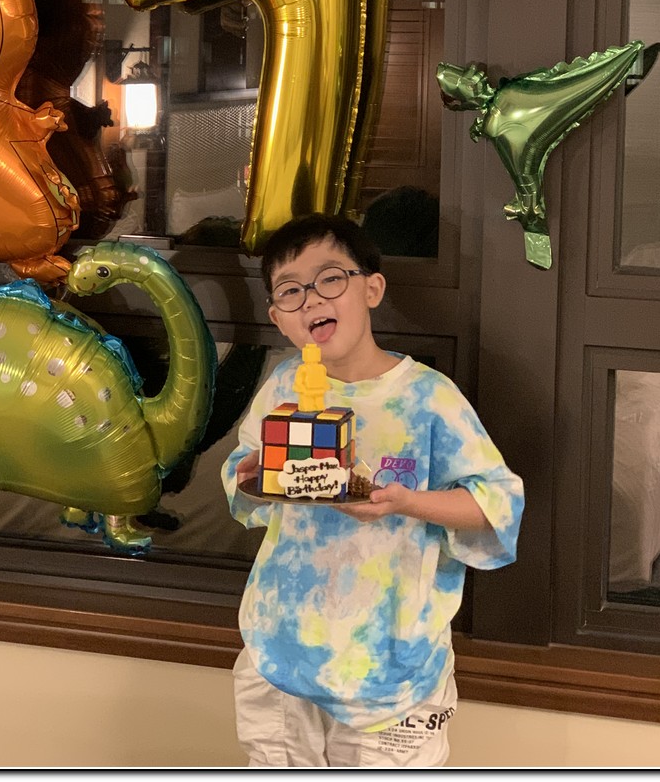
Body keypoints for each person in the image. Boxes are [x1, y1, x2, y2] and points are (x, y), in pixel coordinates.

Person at [221, 213, 524, 769]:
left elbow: (497, 506)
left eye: (330, 279)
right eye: (291, 291)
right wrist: (260, 477)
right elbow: (242, 482)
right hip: (281, 652)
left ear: (372, 289)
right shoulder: (283, 387)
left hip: (391, 669)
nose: (312, 299)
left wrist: (404, 502)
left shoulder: (429, 398)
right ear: (278, 318)